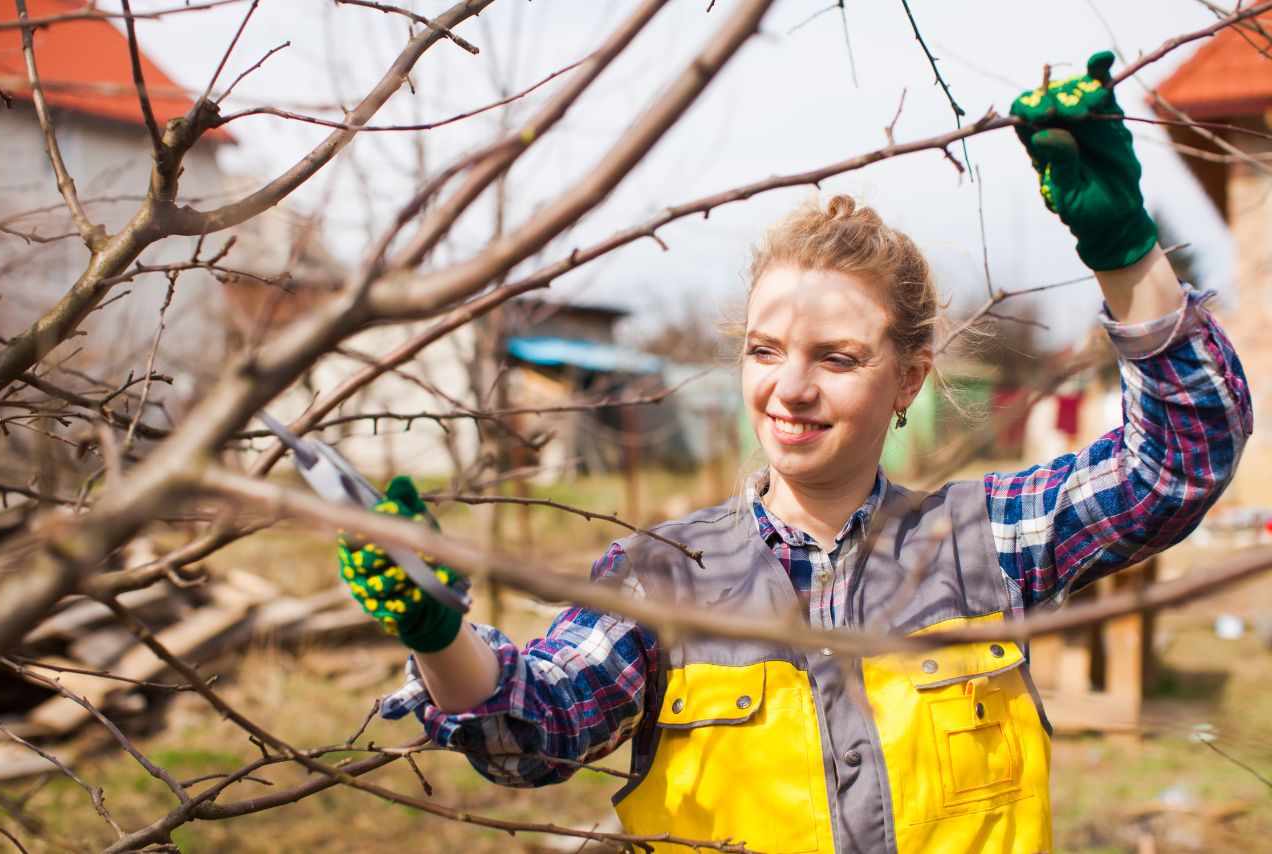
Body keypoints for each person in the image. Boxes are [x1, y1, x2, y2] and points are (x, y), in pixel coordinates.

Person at [337, 53, 1251, 853]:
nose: (791, 388)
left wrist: (1128, 254)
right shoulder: (664, 579)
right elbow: (536, 727)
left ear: (908, 379)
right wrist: (437, 632)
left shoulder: (985, 546)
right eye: (765, 351)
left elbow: (1176, 461)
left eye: (838, 358)